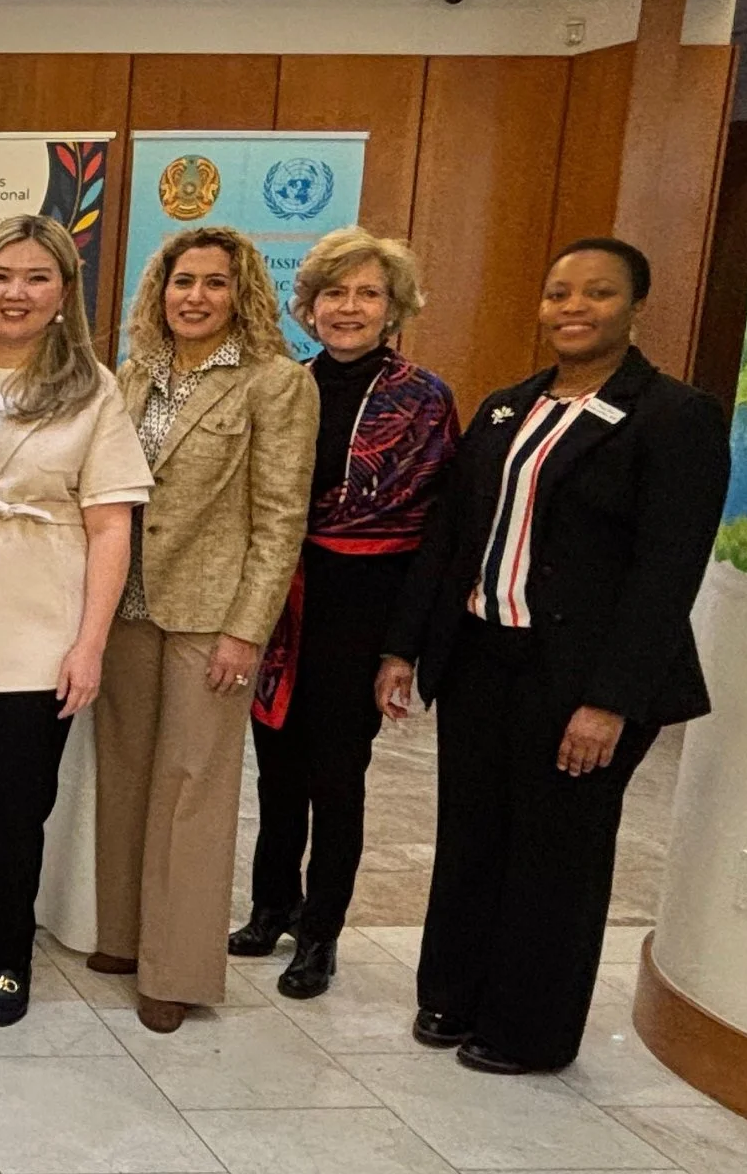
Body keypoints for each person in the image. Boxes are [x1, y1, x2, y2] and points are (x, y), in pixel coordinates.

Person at [379, 238, 727, 1075]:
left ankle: (527, 1031)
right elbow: (453, 537)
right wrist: (406, 647)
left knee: (555, 855)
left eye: (597, 293)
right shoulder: (509, 407)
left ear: (635, 305)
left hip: (580, 676)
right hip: (481, 658)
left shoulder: (674, 417)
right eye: (558, 292)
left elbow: (665, 573)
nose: (574, 307)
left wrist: (611, 701)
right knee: (472, 836)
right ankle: (453, 995)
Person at [0, 216, 150, 1027]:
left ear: (62, 296)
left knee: (11, 806)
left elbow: (112, 524)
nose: (16, 292)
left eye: (37, 277)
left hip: (40, 626)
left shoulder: (94, 388)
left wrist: (90, 643)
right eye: (1, 275)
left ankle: (11, 955)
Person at [94, 225, 316, 1034]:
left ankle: (176, 969)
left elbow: (281, 518)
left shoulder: (275, 384)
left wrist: (246, 631)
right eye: (182, 281)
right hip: (127, 607)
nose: (195, 296)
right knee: (123, 776)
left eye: (214, 283)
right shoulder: (133, 375)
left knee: (194, 789)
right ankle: (121, 935)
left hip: (210, 617)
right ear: (159, 290)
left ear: (241, 292)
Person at [231, 227, 458, 1001]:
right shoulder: (285, 383)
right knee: (275, 773)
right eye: (334, 293)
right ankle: (270, 908)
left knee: (338, 778)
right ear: (309, 305)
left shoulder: (424, 400)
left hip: (365, 611)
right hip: (281, 602)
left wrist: (402, 649)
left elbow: (436, 539)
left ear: (394, 307)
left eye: (368, 294)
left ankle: (320, 933)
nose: (349, 308)